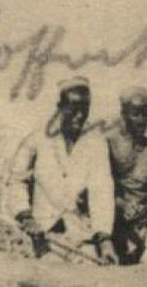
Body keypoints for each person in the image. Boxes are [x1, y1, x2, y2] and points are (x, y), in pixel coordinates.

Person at [10, 77, 117, 264]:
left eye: (85, 108)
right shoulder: (38, 138)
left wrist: (104, 240)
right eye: (73, 107)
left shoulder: (96, 144)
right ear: (60, 106)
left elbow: (102, 192)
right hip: (43, 238)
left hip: (80, 237)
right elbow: (16, 179)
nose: (79, 115)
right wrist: (25, 217)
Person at [105, 87, 147, 264]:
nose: (141, 120)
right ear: (123, 113)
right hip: (108, 223)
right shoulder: (107, 144)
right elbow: (97, 187)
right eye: (136, 114)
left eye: (145, 114)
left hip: (139, 226)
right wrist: (121, 204)